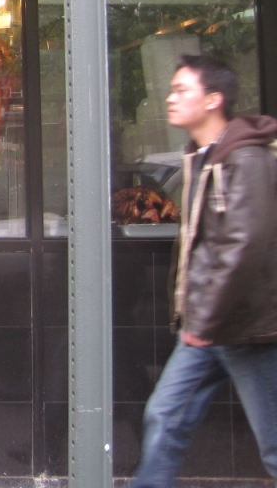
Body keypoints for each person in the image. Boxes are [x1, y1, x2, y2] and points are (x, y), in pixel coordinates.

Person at [131, 55, 277, 487]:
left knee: (273, 443)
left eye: (181, 90)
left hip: (246, 328)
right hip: (208, 326)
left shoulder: (245, 158)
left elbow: (243, 245)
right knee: (164, 415)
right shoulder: (201, 156)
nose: (169, 98)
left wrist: (205, 319)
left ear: (213, 100)